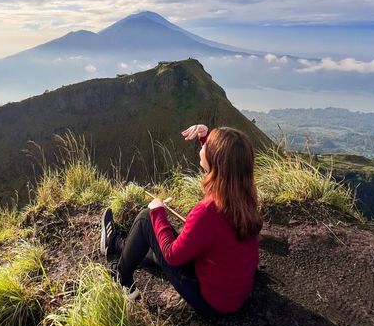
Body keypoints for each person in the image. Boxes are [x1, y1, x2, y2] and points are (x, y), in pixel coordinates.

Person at [100, 123, 262, 316]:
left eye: (206, 146)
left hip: (211, 302)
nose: (202, 148)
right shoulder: (243, 195)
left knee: (145, 218)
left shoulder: (208, 211)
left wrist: (157, 211)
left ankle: (122, 281)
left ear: (216, 161)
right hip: (233, 293)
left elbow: (172, 255)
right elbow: (227, 162)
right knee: (160, 243)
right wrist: (205, 135)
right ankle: (117, 244)